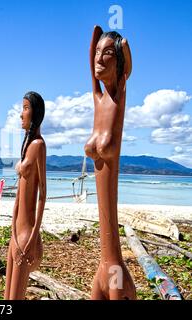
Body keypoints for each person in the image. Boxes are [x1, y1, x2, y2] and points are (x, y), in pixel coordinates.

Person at [84, 25, 136, 300]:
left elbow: (126, 65)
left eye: (107, 55)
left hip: (114, 269)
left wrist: (120, 44)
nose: (99, 60)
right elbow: (89, 66)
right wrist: (94, 43)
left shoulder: (119, 95)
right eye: (96, 54)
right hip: (104, 266)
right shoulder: (98, 101)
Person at [4, 92, 46, 300]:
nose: (21, 114)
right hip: (15, 232)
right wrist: (12, 225)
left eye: (26, 108)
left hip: (26, 234)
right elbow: (19, 195)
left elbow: (43, 195)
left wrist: (33, 235)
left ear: (36, 113)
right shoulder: (27, 146)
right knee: (7, 296)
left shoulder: (38, 145)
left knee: (16, 296)